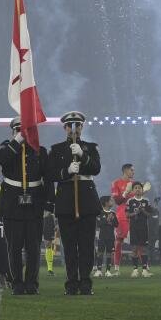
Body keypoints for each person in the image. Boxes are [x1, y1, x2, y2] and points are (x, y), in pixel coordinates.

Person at [48, 111, 102, 296]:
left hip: (86, 201)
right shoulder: (56, 150)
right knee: (69, 246)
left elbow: (96, 169)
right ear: (65, 128)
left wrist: (83, 155)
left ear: (82, 127)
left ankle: (86, 283)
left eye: (77, 125)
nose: (74, 129)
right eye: (70, 126)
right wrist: (67, 171)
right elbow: (51, 174)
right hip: (66, 200)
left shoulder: (90, 147)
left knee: (87, 246)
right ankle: (71, 282)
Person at [0, 118, 53, 294]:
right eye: (18, 131)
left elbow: (48, 179)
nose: (23, 134)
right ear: (13, 132)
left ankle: (32, 283)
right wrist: (17, 141)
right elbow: (2, 160)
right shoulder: (7, 148)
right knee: (13, 247)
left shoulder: (40, 151)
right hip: (12, 204)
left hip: (34, 203)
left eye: (25, 131)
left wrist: (49, 204)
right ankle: (17, 283)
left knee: (33, 247)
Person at [109, 163, 136, 274]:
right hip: (122, 215)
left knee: (138, 241)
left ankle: (142, 268)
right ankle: (116, 268)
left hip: (135, 215)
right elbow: (117, 201)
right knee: (119, 241)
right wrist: (126, 192)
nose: (133, 172)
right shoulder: (116, 183)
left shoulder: (135, 184)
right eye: (132, 170)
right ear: (125, 171)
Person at [125, 182, 154, 277]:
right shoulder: (130, 201)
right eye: (136, 188)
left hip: (144, 228)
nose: (137, 189)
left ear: (142, 190)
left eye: (139, 188)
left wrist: (143, 210)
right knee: (134, 249)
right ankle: (135, 270)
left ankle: (145, 270)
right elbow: (127, 215)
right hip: (133, 228)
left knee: (143, 249)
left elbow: (149, 214)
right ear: (133, 190)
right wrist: (135, 213)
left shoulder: (146, 201)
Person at [95, 196, 118, 278]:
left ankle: (108, 271)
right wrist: (107, 219)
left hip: (111, 237)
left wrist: (112, 220)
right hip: (102, 236)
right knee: (100, 253)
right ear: (106, 203)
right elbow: (99, 224)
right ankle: (99, 270)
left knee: (109, 254)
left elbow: (116, 224)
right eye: (111, 200)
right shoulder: (100, 213)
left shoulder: (113, 213)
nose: (113, 202)